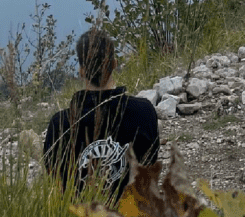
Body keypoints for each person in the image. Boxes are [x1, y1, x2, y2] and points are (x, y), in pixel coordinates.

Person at [43, 28, 159, 202]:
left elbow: (56, 182)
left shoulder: (60, 125)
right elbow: (150, 166)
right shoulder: (144, 112)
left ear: (82, 71)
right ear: (114, 64)